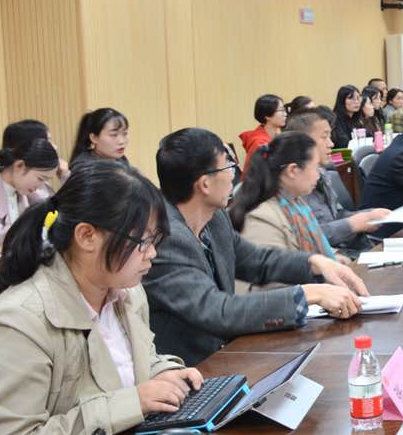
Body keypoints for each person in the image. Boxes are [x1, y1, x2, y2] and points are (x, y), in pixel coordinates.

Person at [0, 160, 206, 435]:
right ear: (87, 236)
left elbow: (131, 365)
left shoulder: (125, 294)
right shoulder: (18, 321)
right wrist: (132, 402)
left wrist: (166, 372)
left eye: (156, 240)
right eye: (142, 242)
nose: (152, 254)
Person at [145, 128, 367, 365]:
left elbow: (256, 260)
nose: (233, 175)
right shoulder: (166, 239)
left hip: (228, 354)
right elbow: (218, 311)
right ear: (205, 184)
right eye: (228, 167)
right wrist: (308, 294)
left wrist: (314, 262)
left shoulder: (215, 218)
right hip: (193, 368)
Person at [231, 132, 344, 291]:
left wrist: (332, 260)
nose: (318, 175)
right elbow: (272, 285)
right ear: (292, 170)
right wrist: (318, 273)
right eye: (315, 168)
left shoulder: (297, 204)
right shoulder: (262, 217)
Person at [284, 110, 389, 249]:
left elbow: (336, 214)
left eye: (330, 136)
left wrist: (368, 215)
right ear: (303, 142)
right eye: (324, 137)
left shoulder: (321, 173)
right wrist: (352, 224)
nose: (331, 144)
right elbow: (308, 237)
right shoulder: (294, 184)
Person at [0, 134, 58, 248]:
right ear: (19, 165)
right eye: (40, 178)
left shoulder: (25, 191)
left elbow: (53, 210)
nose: (41, 186)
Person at [239, 94, 286, 169]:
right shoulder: (258, 143)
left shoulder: (279, 135)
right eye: (281, 110)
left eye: (284, 110)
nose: (285, 114)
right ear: (267, 115)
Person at [332, 84, 362, 148]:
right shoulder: (335, 119)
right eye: (351, 98)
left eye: (358, 98)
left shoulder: (356, 119)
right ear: (342, 101)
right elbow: (343, 143)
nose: (356, 101)